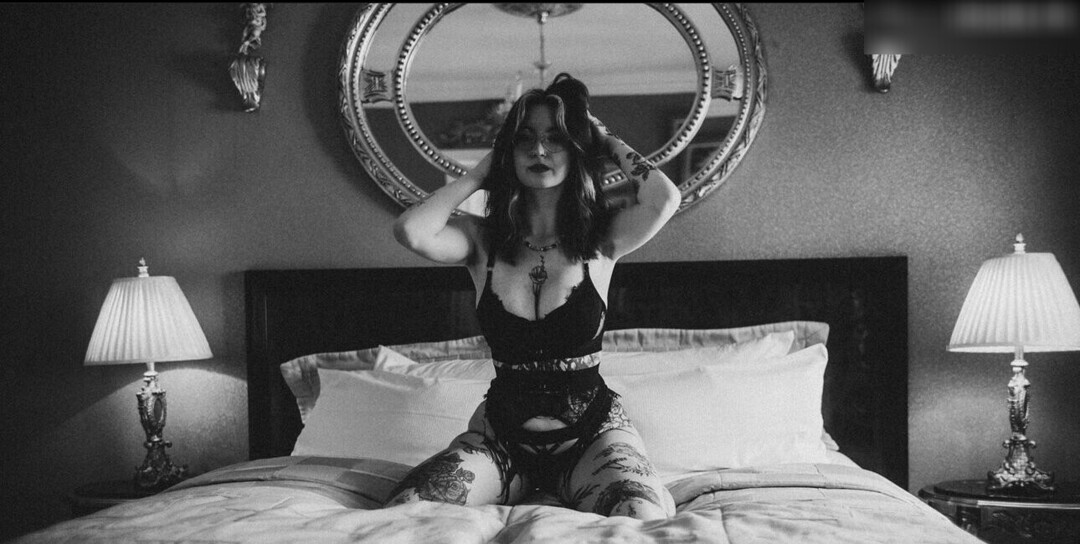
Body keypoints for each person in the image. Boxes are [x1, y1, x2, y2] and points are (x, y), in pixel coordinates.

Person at [387, 73, 681, 520]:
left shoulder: (604, 237)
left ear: (576, 148)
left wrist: (604, 139)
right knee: (407, 510)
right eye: (524, 139)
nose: (538, 150)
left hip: (593, 436)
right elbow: (410, 230)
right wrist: (482, 172)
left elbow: (664, 198)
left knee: (641, 515)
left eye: (555, 139)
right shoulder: (481, 240)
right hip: (499, 440)